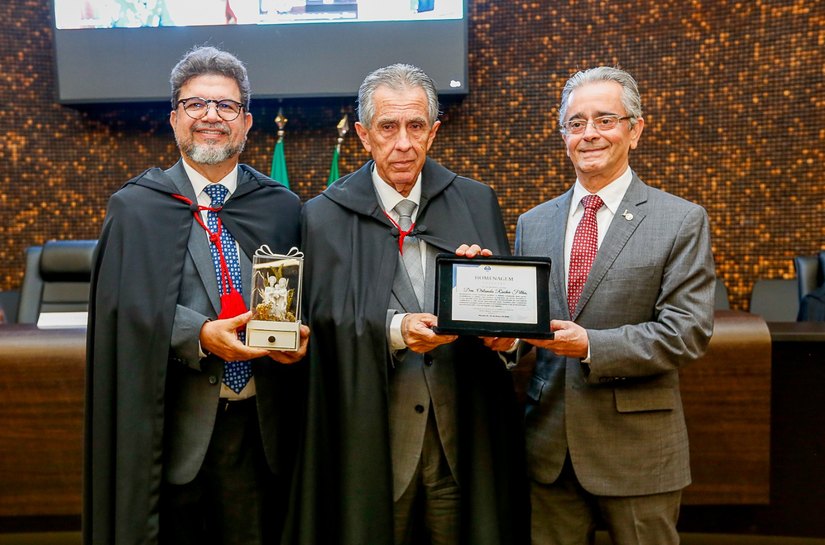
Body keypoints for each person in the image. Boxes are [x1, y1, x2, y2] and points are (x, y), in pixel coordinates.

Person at [290, 63, 528, 545]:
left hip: (462, 443)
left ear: (433, 132)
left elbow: (508, 315)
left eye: (416, 126)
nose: (403, 143)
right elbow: (320, 321)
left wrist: (505, 339)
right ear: (363, 135)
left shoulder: (475, 202)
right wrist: (395, 331)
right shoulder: (323, 215)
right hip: (369, 444)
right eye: (388, 127)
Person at [84, 46, 309, 545]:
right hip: (167, 435)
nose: (211, 115)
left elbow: (307, 299)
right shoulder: (136, 209)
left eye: (226, 105)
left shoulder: (281, 207)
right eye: (195, 104)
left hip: (259, 435)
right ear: (174, 119)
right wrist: (199, 334)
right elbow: (119, 309)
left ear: (246, 122)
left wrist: (299, 340)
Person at [513, 66, 715, 544]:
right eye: (576, 123)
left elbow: (687, 331)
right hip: (549, 449)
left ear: (635, 130)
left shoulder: (680, 220)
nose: (589, 134)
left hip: (637, 451)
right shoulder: (532, 223)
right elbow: (525, 325)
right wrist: (504, 341)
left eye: (605, 120)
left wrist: (591, 346)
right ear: (564, 136)